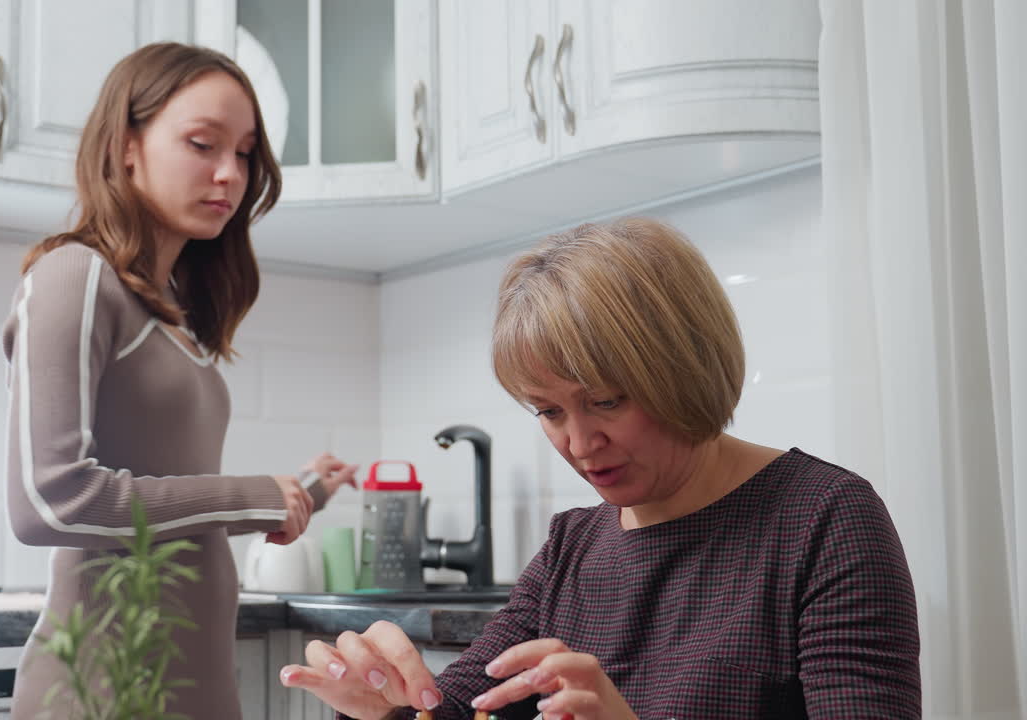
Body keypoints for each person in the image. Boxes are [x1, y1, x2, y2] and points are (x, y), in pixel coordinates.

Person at [280, 218, 921, 719]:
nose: (580, 443)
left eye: (606, 401)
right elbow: (459, 706)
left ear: (684, 367)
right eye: (549, 411)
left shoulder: (824, 519)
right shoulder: (573, 546)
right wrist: (387, 706)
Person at [0, 42, 357, 720]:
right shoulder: (74, 277)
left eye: (246, 152)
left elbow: (170, 488)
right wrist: (254, 497)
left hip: (192, 687)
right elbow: (49, 501)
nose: (230, 174)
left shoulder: (171, 313)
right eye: (202, 143)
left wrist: (301, 491)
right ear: (126, 144)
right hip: (104, 693)